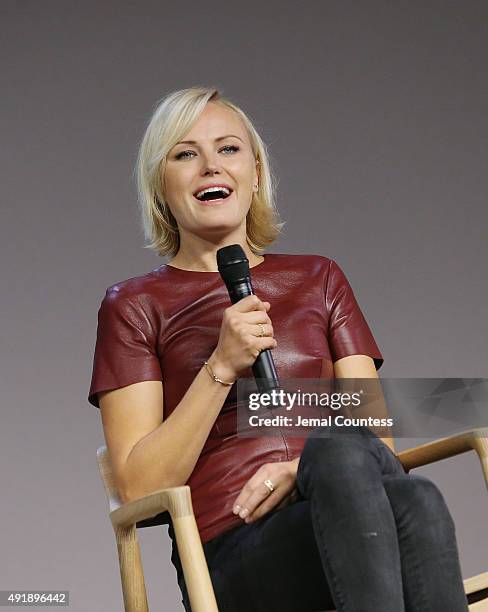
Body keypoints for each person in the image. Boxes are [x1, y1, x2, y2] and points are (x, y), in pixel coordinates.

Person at [88, 86, 468, 611]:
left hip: (350, 503)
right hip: (240, 548)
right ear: (162, 184)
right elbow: (138, 486)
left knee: (402, 489)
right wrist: (219, 367)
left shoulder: (319, 277)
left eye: (228, 149)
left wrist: (306, 468)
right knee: (378, 476)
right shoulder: (134, 305)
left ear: (257, 172)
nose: (210, 167)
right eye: (185, 154)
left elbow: (376, 435)